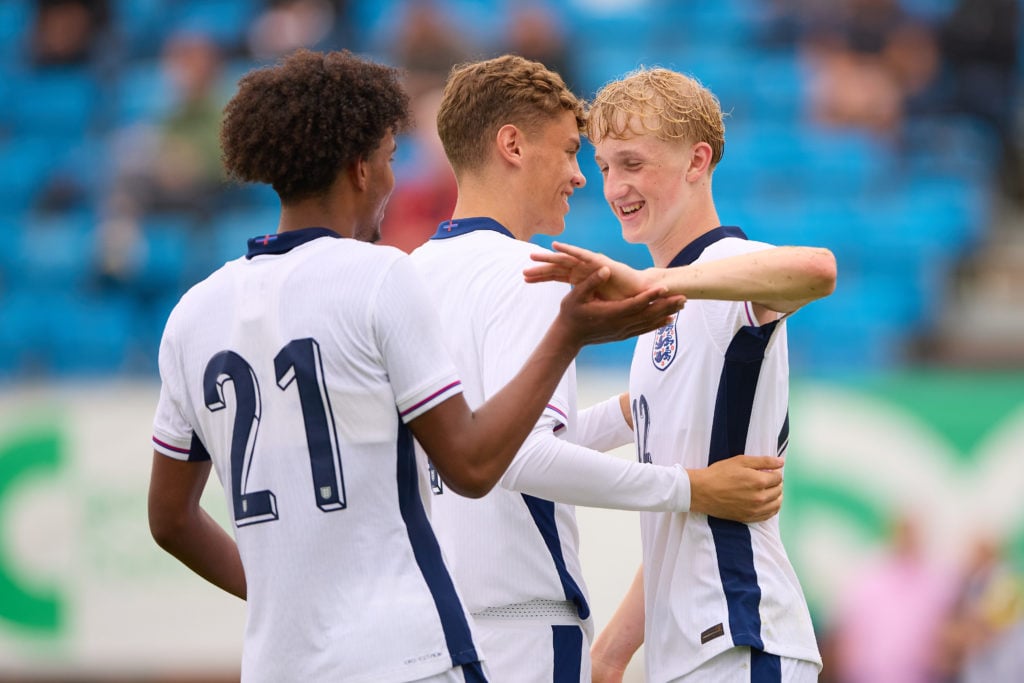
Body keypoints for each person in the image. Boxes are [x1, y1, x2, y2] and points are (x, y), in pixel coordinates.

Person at [146, 49, 684, 683]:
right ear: (361, 168)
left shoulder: (193, 312)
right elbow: (475, 463)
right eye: (390, 158)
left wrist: (273, 597)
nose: (393, 178)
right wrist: (570, 333)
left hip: (276, 662)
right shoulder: (379, 278)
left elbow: (170, 519)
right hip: (406, 653)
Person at [409, 55, 834, 682]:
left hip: (744, 626)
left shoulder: (728, 264)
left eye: (632, 163)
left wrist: (654, 281)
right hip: (692, 642)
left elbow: (818, 270)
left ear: (697, 161)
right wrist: (612, 652)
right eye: (604, 166)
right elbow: (665, 511)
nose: (609, 186)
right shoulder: (659, 317)